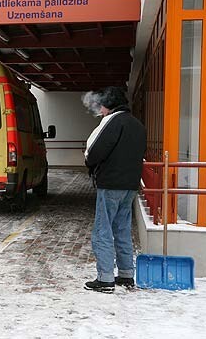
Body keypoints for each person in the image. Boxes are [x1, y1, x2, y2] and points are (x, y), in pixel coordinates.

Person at [84, 86, 147, 293]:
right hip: (130, 186)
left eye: (102, 106)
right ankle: (126, 274)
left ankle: (105, 279)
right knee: (122, 230)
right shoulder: (138, 125)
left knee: (102, 231)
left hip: (110, 184)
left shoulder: (112, 121)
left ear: (108, 105)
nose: (100, 110)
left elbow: (94, 151)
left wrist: (90, 164)